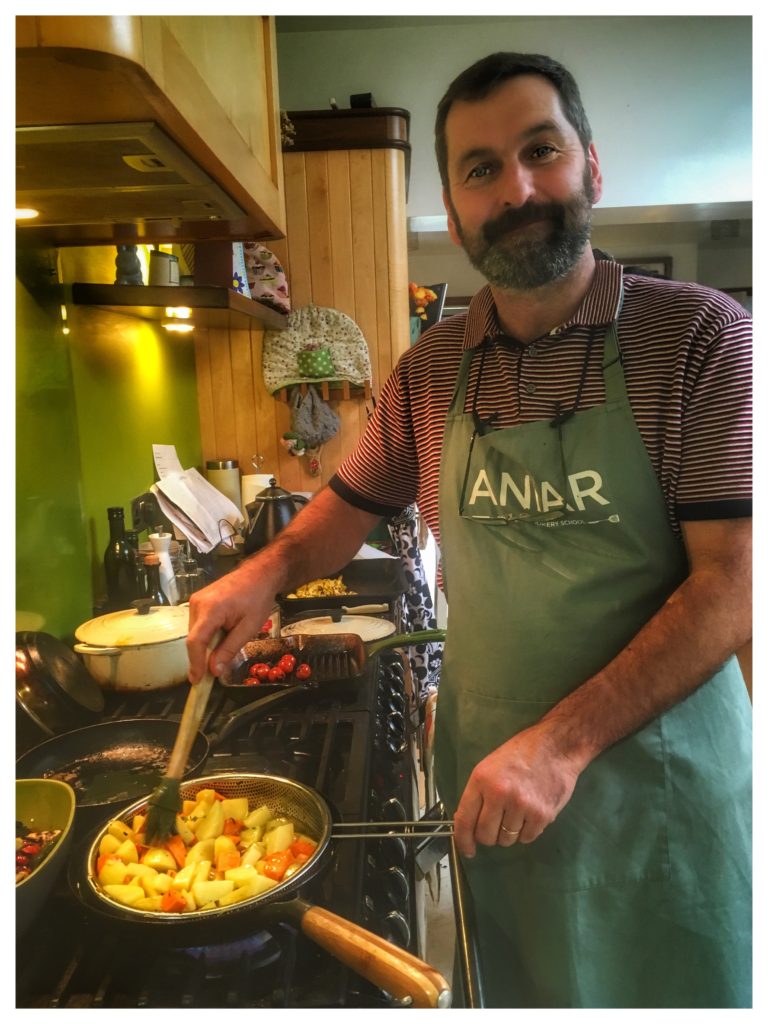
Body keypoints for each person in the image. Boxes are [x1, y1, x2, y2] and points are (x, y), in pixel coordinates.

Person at [187, 52, 752, 1008]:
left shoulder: (700, 336)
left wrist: (560, 745)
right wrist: (263, 574)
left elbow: (734, 585)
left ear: (592, 167)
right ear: (452, 209)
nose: (517, 188)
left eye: (541, 150)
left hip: (653, 790)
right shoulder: (431, 366)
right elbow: (343, 514)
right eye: (481, 169)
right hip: (494, 782)